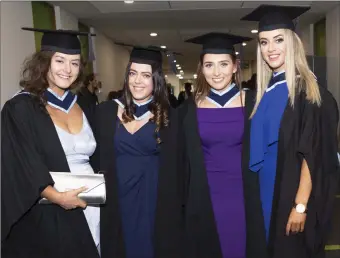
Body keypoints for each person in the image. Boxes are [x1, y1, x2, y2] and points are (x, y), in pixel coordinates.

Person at [242, 5, 340, 258]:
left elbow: (313, 153)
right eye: (264, 42)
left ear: (293, 43)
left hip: (289, 192)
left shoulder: (309, 94)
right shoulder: (261, 94)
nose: (270, 48)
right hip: (262, 190)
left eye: (278, 40)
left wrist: (300, 205)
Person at [1, 28, 100, 257]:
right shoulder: (22, 108)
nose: (67, 69)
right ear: (44, 62)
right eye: (60, 61)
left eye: (75, 63)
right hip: (48, 208)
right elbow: (22, 162)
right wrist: (58, 198)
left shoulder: (85, 104)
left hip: (90, 205)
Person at [177, 32, 264, 258]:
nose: (216, 73)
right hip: (204, 193)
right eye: (209, 65)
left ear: (235, 66)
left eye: (223, 64)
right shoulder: (189, 109)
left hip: (245, 192)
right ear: (201, 68)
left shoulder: (254, 102)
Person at [93, 47, 183, 258]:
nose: (137, 81)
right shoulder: (105, 112)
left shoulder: (170, 117)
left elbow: (178, 165)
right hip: (116, 197)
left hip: (153, 198)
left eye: (146, 75)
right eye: (133, 74)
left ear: (157, 80)